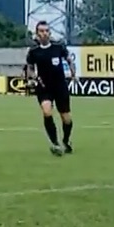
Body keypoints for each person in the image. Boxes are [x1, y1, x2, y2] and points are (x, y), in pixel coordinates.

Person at [25, 21, 76, 155]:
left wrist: (73, 73)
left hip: (60, 87)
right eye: (41, 31)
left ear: (50, 32)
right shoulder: (34, 51)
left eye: (47, 31)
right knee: (47, 112)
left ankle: (66, 140)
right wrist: (32, 77)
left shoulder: (58, 47)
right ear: (37, 34)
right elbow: (30, 67)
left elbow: (69, 59)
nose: (44, 33)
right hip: (44, 87)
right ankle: (55, 143)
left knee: (66, 118)